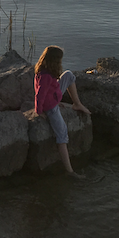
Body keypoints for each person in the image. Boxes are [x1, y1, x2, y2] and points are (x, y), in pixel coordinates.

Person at [34, 45, 91, 177]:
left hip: (54, 99)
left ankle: (77, 104)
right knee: (62, 135)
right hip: (51, 108)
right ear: (55, 61)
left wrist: (57, 100)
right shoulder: (46, 76)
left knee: (69, 75)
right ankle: (69, 171)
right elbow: (39, 95)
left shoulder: (44, 71)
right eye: (59, 60)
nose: (61, 63)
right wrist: (39, 110)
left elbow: (48, 90)